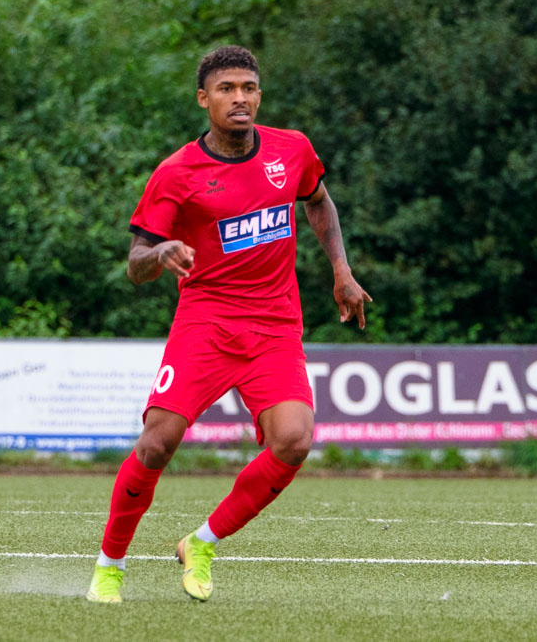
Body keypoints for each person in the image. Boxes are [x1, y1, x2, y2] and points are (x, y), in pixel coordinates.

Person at [86, 45, 371, 604]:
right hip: (206, 322)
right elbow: (136, 265)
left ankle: (203, 542)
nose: (239, 98)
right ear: (204, 100)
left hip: (274, 326)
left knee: (293, 441)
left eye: (248, 87)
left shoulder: (292, 150)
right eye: (226, 89)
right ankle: (109, 566)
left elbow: (319, 201)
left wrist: (341, 269)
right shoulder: (177, 173)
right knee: (156, 445)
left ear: (259, 94)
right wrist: (162, 250)